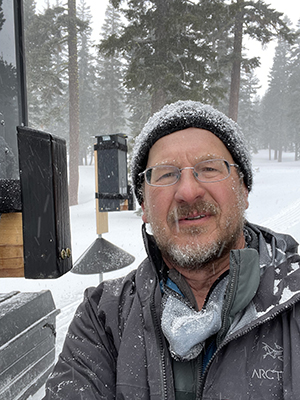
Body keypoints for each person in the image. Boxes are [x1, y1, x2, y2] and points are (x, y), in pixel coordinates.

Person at [44, 100, 300, 399]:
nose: (189, 191)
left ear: (243, 191)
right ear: (144, 206)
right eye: (165, 174)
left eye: (209, 168)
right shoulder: (103, 319)